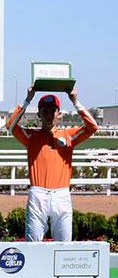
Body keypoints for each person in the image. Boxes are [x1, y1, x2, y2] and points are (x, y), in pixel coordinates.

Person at [6, 87, 97, 241]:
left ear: (59, 114)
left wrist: (75, 102)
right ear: (39, 114)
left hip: (62, 195)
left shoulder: (69, 136)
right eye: (45, 111)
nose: (49, 115)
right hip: (38, 195)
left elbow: (93, 126)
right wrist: (27, 100)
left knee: (64, 246)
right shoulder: (31, 136)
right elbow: (11, 125)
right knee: (33, 245)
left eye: (53, 111)